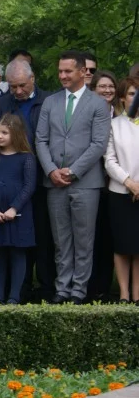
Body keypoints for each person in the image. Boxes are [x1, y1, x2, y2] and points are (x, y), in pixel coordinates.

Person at [35, 51, 111, 304]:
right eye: (60, 71)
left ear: (82, 72)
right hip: (54, 182)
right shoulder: (50, 102)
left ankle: (79, 290)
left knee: (84, 239)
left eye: (68, 71)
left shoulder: (98, 104)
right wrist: (51, 170)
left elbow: (99, 144)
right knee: (61, 240)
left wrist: (74, 170)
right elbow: (41, 140)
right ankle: (62, 289)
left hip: (86, 183)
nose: (63, 76)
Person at [0, 59, 54, 301]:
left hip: (41, 177)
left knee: (41, 236)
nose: (18, 91)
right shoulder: (4, 103)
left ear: (33, 79)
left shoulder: (49, 100)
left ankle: (45, 287)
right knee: (13, 241)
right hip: (10, 179)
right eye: (13, 87)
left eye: (22, 85)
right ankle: (16, 291)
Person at [0, 113, 37, 304]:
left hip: (18, 214)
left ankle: (14, 296)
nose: (0, 136)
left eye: (5, 132)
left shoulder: (26, 158)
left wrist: (14, 208)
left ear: (17, 134)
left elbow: (29, 186)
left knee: (17, 253)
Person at [104, 77, 139, 302]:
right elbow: (109, 160)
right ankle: (124, 295)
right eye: (132, 94)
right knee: (122, 245)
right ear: (124, 98)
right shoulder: (114, 125)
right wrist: (129, 182)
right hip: (120, 192)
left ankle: (137, 295)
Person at [87, 68, 119, 301]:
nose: (107, 90)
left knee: (110, 236)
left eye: (110, 87)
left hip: (116, 184)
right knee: (93, 235)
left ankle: (104, 287)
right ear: (93, 89)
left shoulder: (121, 114)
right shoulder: (87, 113)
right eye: (102, 87)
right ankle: (91, 285)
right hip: (91, 180)